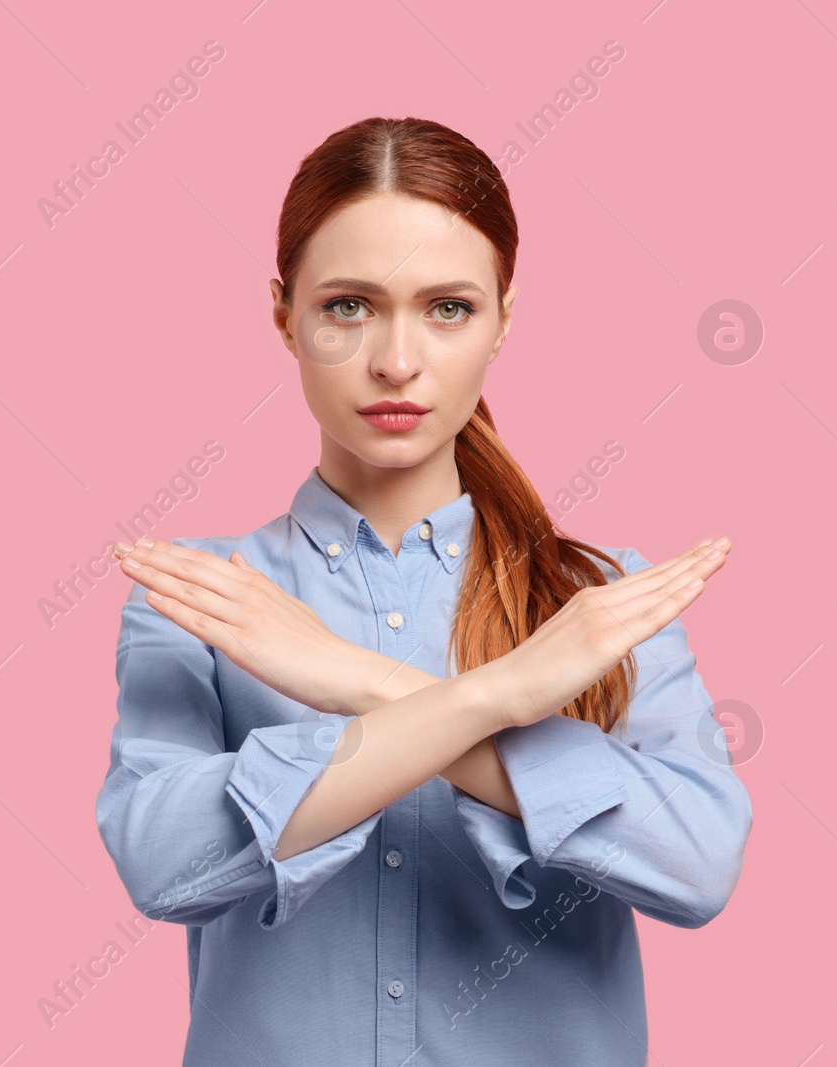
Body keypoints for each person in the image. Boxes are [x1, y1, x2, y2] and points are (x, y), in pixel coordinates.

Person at [93, 116, 753, 1066]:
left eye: (447, 307)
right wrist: (496, 698)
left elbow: (695, 863)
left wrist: (350, 679)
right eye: (349, 306)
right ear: (284, 316)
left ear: (503, 320)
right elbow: (165, 866)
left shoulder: (601, 602)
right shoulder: (202, 599)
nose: (396, 360)